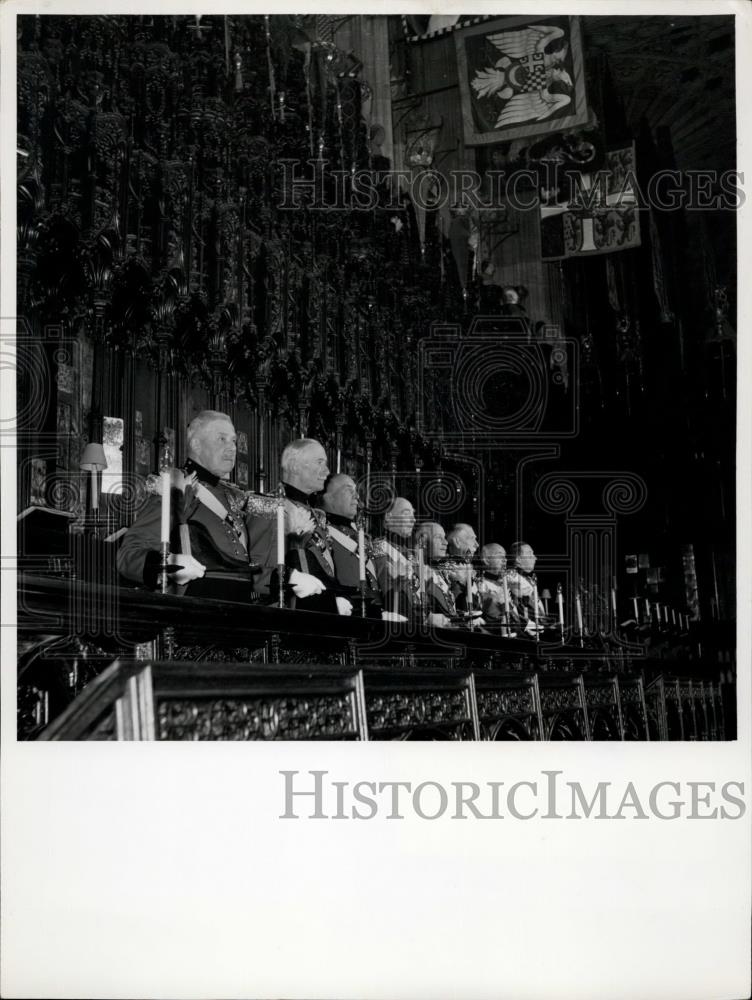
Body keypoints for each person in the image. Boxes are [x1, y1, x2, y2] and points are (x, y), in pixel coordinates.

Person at [117, 410, 321, 604]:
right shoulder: (176, 485)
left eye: (233, 440)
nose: (232, 447)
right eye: (221, 439)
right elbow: (129, 555)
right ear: (196, 444)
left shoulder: (234, 497)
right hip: (196, 607)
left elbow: (251, 573)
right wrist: (170, 564)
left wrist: (288, 578)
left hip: (239, 607)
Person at [246, 438, 352, 615]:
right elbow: (260, 574)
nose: (326, 472)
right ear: (294, 465)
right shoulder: (269, 506)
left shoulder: (318, 516)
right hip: (291, 616)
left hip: (324, 613)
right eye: (320, 462)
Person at [320, 473, 382, 617]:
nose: (357, 497)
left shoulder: (360, 534)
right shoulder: (321, 530)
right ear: (327, 497)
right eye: (349, 490)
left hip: (372, 613)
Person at [372, 497, 416, 619]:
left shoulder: (410, 554)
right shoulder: (380, 549)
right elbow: (392, 597)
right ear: (388, 517)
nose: (413, 519)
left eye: (413, 514)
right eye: (406, 513)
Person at [414, 521, 458, 628]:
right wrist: (428, 617)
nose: (445, 542)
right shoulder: (411, 569)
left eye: (444, 537)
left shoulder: (441, 573)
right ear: (423, 540)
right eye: (439, 537)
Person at [477, 542, 519, 630]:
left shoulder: (507, 584)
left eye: (505, 556)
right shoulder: (479, 584)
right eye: (500, 556)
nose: (505, 560)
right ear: (486, 560)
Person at [506, 540, 545, 628]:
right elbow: (516, 609)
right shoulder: (511, 578)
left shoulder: (528, 579)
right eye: (530, 554)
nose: (535, 558)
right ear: (518, 559)